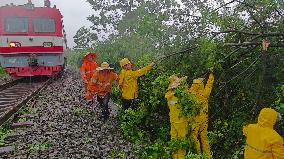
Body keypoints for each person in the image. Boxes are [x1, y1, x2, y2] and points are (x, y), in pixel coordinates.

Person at [188, 68, 214, 159]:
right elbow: (209, 84)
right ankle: (207, 156)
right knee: (204, 138)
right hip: (203, 120)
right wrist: (211, 74)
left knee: (194, 138)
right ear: (201, 85)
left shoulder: (190, 95)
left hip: (194, 120)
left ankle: (198, 155)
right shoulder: (205, 93)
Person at [165, 75, 188, 159]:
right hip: (180, 120)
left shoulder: (168, 94)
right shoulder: (180, 94)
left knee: (174, 138)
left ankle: (174, 156)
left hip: (172, 120)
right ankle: (181, 157)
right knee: (182, 139)